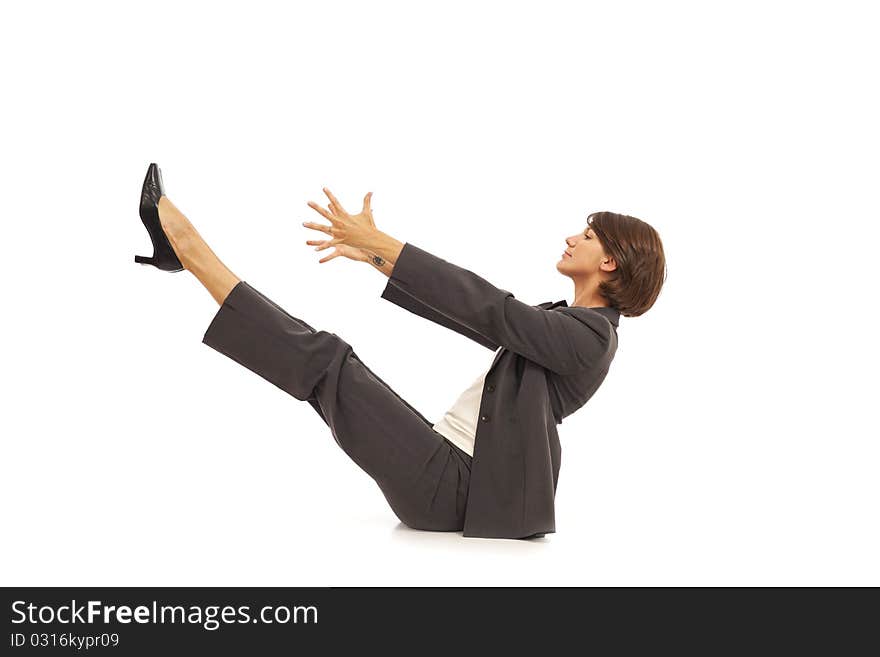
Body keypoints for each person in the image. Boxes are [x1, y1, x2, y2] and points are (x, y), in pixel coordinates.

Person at [134, 163, 666, 540]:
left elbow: (489, 308)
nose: (573, 237)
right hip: (452, 467)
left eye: (589, 236)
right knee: (324, 370)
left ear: (611, 263)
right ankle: (180, 253)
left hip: (457, 488)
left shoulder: (593, 338)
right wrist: (378, 260)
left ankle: (187, 249)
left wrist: (385, 242)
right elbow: (475, 316)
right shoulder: (569, 323)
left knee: (325, 363)